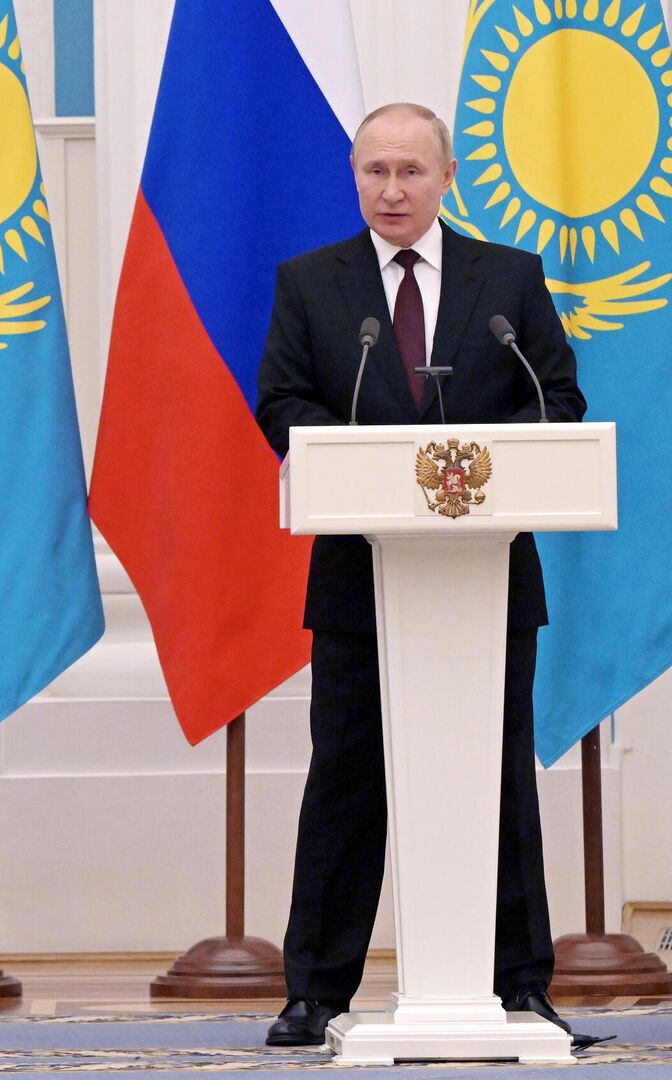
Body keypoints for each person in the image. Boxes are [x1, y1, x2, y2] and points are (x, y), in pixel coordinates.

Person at [255, 102, 588, 1048]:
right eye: (375, 171)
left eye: (410, 171)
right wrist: (379, 466)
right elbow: (281, 402)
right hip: (361, 579)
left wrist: (469, 463)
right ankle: (316, 992)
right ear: (354, 176)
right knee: (347, 779)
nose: (392, 190)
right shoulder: (311, 282)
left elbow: (557, 398)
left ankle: (518, 985)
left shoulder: (508, 279)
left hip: (487, 579)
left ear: (447, 177)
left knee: (499, 779)